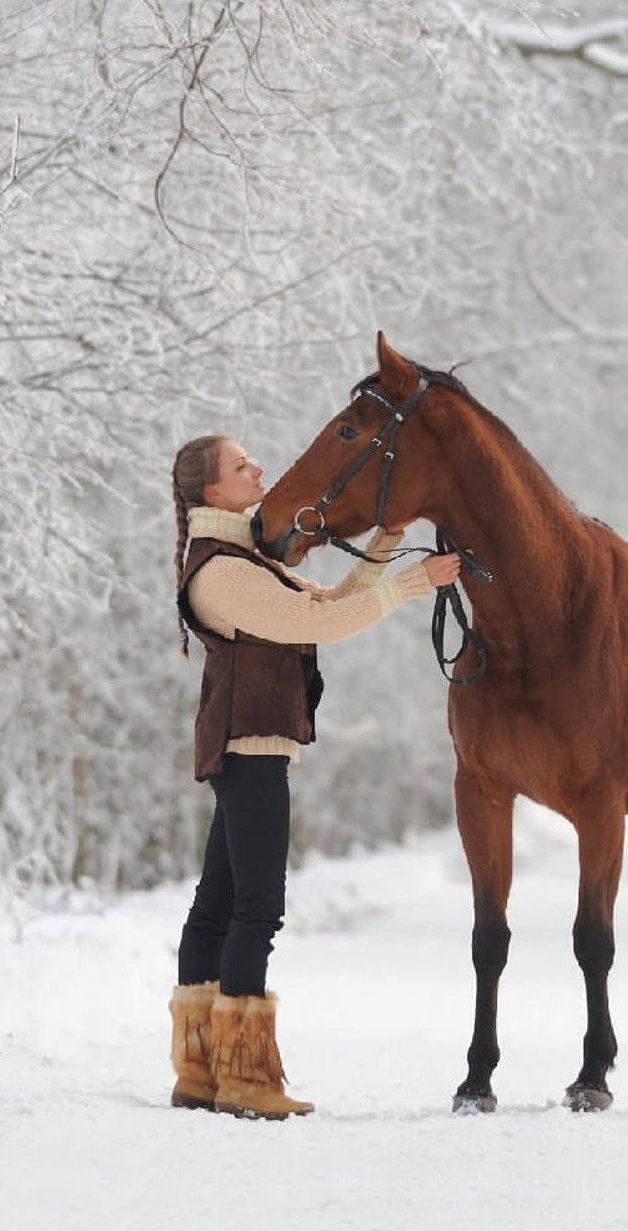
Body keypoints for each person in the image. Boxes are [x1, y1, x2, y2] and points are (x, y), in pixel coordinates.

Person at [166, 433, 461, 1119]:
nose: (259, 469)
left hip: (247, 748)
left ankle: (201, 1068)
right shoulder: (221, 571)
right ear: (213, 492)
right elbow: (317, 624)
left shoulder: (240, 557)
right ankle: (243, 1076)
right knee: (255, 908)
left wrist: (389, 538)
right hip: (250, 749)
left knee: (220, 902)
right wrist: (415, 584)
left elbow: (329, 599)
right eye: (243, 466)